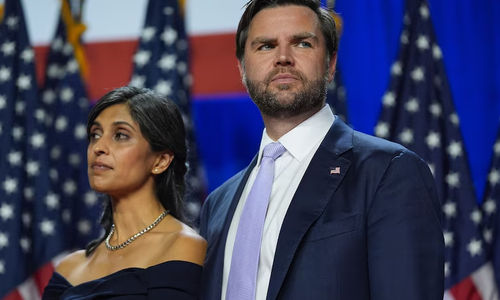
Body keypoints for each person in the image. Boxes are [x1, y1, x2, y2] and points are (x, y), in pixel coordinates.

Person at [199, 0, 444, 299]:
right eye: (265, 46)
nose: (283, 58)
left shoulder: (388, 172)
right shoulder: (218, 204)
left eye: (302, 43)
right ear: (242, 68)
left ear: (330, 64)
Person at [42, 86, 207, 299]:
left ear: (160, 161)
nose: (98, 147)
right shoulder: (69, 268)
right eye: (95, 134)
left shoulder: (183, 247)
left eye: (120, 135)